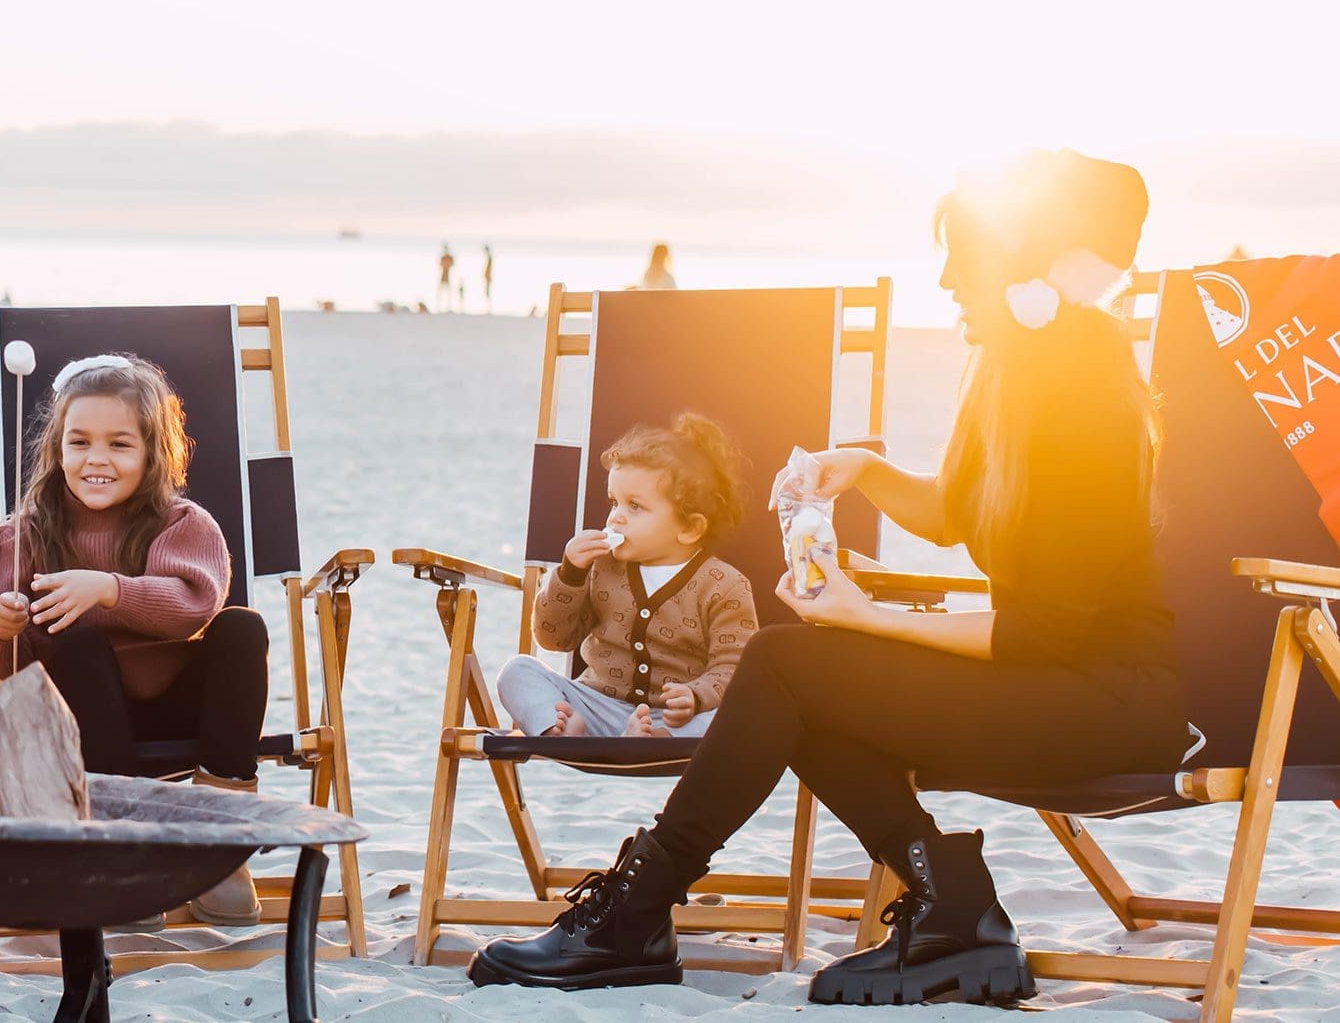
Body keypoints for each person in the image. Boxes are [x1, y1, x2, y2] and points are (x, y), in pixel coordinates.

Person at [466, 150, 1191, 1007]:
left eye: (966, 258)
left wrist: (863, 616)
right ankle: (949, 904)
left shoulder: (1087, 406)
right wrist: (865, 470)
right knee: (799, 680)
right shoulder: (1015, 375)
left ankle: (640, 911)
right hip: (1048, 683)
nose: (948, 279)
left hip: (1106, 705)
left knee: (787, 666)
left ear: (1033, 275)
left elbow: (1046, 629)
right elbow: (957, 514)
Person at [0, 354, 267, 926]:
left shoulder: (183, 525)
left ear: (153, 453)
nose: (96, 459)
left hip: (174, 708)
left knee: (242, 628)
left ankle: (218, 840)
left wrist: (110, 590)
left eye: (120, 444)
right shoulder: (23, 536)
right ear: (57, 450)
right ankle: (122, 850)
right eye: (79, 442)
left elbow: (192, 609)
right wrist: (4, 628)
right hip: (83, 722)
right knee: (80, 646)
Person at [497, 414, 756, 739]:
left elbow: (733, 667)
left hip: (675, 719)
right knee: (517, 671)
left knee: (741, 712)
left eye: (634, 506)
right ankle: (563, 732)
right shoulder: (600, 567)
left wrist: (695, 695)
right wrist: (570, 574)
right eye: (614, 503)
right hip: (597, 706)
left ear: (690, 527)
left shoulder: (724, 586)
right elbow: (554, 639)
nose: (615, 518)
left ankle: (654, 742)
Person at [482, 244, 495, 313]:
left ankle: (489, 308)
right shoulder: (489, 259)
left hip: (488, 278)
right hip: (487, 278)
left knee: (487, 293)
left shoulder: (489, 259)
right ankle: (488, 308)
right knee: (487, 293)